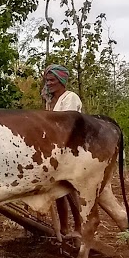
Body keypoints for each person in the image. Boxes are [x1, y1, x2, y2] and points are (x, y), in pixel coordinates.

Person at [41, 64, 83, 241]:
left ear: (61, 80)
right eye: (47, 80)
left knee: (70, 188)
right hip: (55, 150)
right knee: (57, 190)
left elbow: (68, 125)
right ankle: (64, 227)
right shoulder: (51, 101)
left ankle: (79, 227)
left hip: (70, 149)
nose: (49, 84)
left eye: (52, 80)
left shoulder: (70, 98)